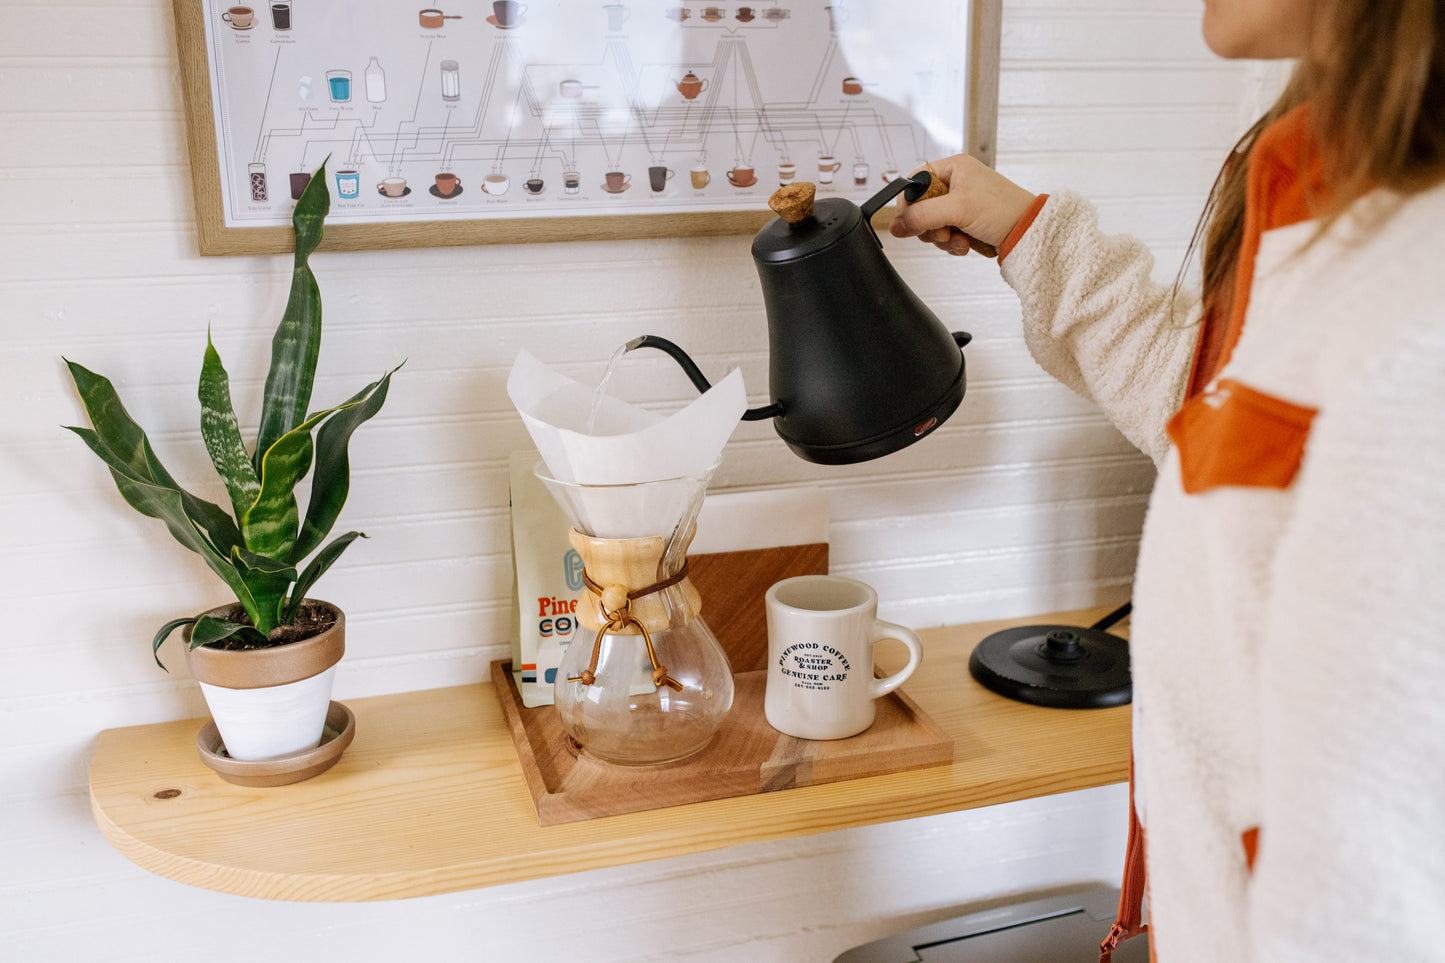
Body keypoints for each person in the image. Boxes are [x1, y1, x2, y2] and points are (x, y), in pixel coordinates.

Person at [890, 1, 1445, 960]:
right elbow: (1210, 407)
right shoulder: (1318, 188)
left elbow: (1382, 875)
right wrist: (1025, 230)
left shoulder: (1420, 294)